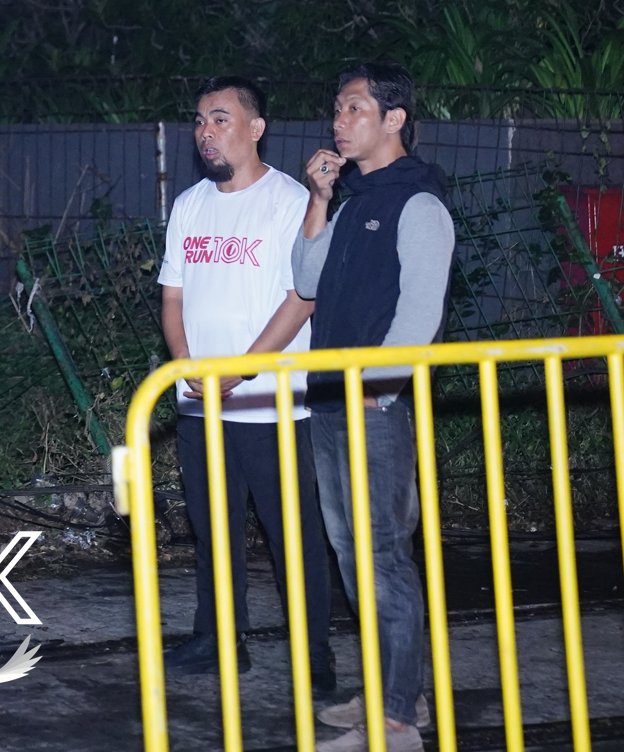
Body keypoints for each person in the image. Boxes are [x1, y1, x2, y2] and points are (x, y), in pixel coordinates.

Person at [158, 77, 335, 696]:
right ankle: (219, 640)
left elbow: (302, 298)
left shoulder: (291, 201)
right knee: (212, 530)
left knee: (295, 535)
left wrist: (243, 367)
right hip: (198, 404)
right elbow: (173, 296)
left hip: (271, 405)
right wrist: (186, 364)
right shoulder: (189, 205)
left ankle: (314, 653)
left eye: (220, 119)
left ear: (255, 128)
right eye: (199, 121)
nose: (205, 132)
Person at [295, 63, 453, 752]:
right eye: (337, 108)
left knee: (382, 556)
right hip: (330, 401)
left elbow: (420, 315)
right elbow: (304, 279)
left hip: (373, 406)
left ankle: (396, 720)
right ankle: (396, 691)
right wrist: (319, 197)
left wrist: (376, 388)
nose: (339, 120)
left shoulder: (418, 203)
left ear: (394, 120)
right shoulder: (352, 199)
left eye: (354, 108)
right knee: (352, 554)